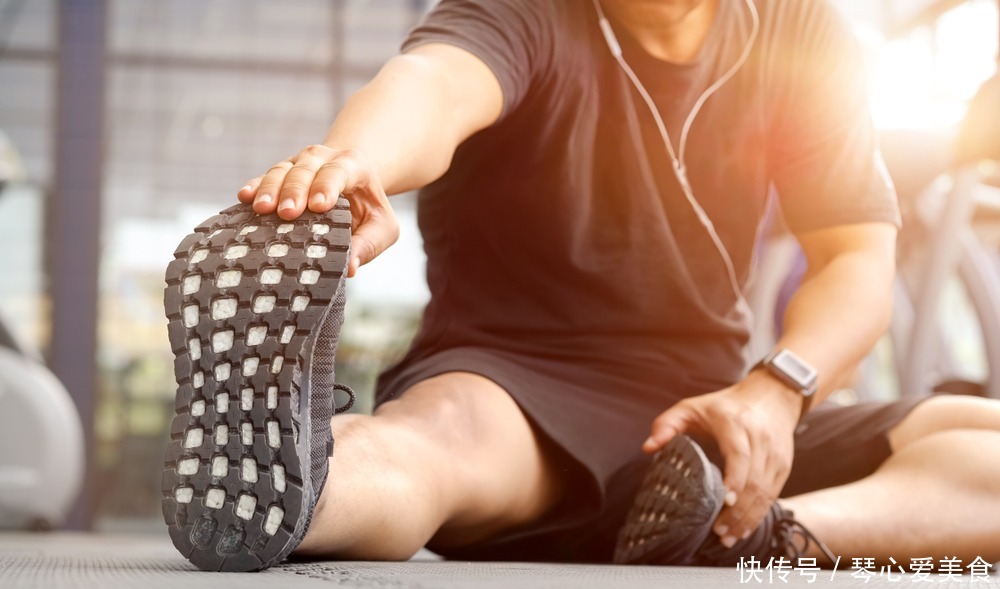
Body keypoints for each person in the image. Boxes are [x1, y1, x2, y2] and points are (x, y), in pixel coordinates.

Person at [164, 0, 1000, 571]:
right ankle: (281, 478)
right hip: (516, 388)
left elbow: (858, 257)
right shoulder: (526, 11)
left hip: (706, 427)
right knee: (431, 447)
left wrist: (776, 390)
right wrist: (357, 167)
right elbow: (434, 85)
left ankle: (749, 536)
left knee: (985, 441)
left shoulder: (798, 32)